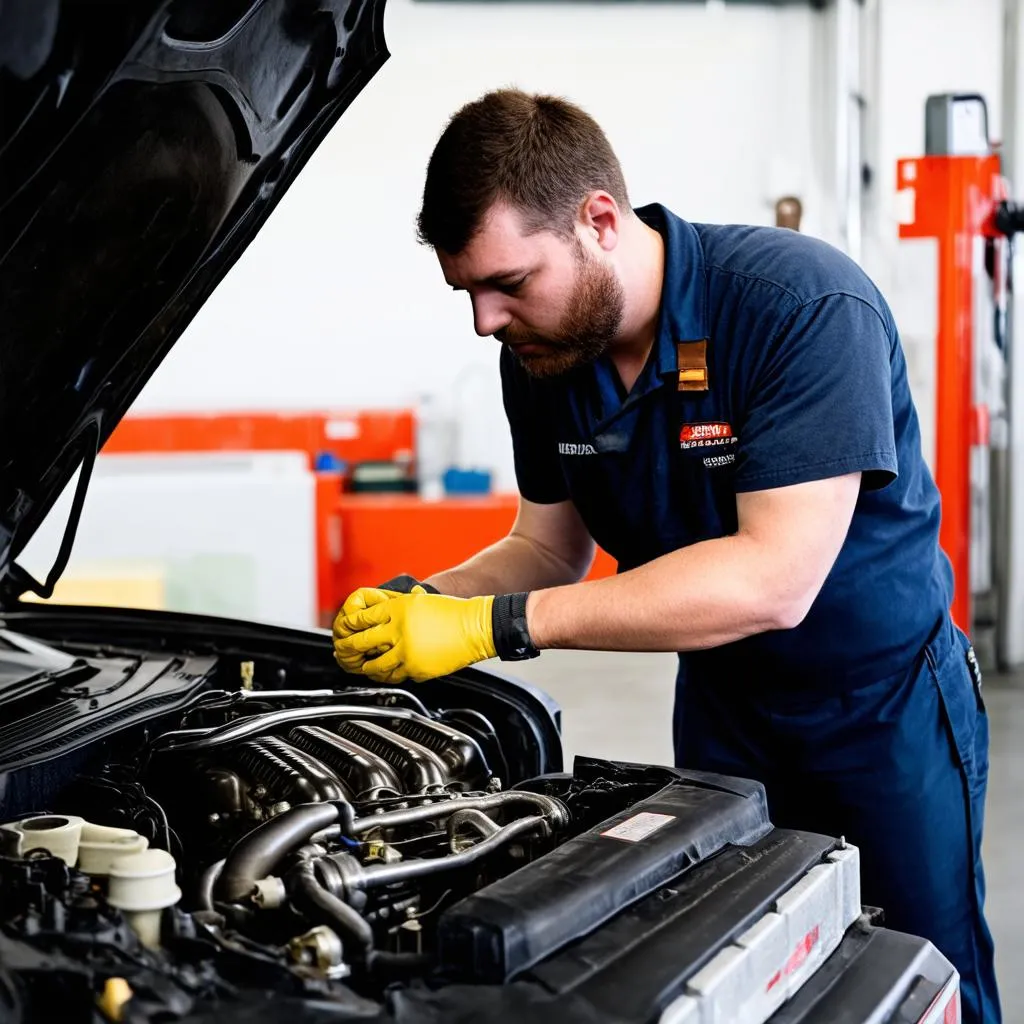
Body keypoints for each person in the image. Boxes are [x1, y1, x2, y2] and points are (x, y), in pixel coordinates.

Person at [332, 89, 1000, 1022]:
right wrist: (421, 605)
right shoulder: (543, 356)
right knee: (743, 970)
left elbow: (775, 580)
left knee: (924, 980)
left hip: (880, 712)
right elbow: (545, 549)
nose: (485, 321)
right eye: (469, 293)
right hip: (726, 712)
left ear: (598, 221)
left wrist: (492, 627)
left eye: (509, 284)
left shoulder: (798, 306)